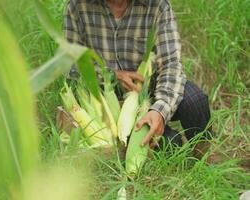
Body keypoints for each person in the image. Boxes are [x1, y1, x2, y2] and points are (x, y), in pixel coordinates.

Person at [63, 0, 212, 153]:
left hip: (151, 86)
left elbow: (170, 64)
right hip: (107, 98)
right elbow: (74, 65)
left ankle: (204, 155)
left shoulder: (157, 6)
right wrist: (111, 76)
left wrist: (160, 110)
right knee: (171, 143)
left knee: (196, 102)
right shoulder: (77, 7)